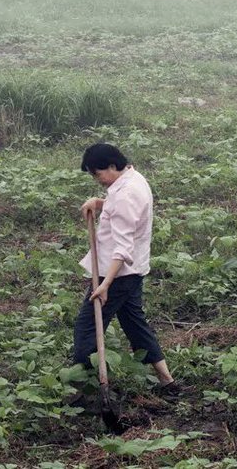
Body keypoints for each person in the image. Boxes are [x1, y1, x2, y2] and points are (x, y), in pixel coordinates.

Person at [73, 142, 177, 391]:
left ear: (111, 165)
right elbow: (124, 209)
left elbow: (122, 246)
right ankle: (167, 381)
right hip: (133, 271)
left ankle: (86, 388)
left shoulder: (126, 194)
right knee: (134, 324)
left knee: (86, 327)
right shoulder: (133, 179)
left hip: (117, 274)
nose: (97, 180)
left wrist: (106, 284)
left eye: (97, 174)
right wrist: (100, 203)